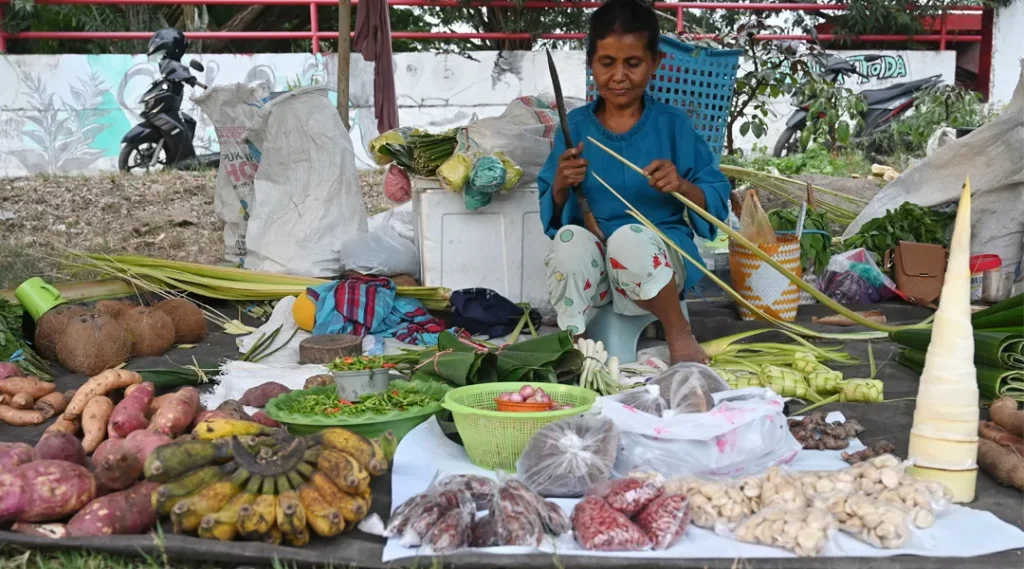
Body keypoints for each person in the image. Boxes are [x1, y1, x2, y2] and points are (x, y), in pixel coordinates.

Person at [537, 0, 731, 364]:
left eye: (633, 63)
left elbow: (718, 197)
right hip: (599, 263)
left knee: (629, 238)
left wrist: (682, 186)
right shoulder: (575, 128)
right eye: (607, 63)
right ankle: (577, 346)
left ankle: (679, 333)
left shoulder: (673, 124)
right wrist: (562, 183)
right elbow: (552, 206)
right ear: (591, 63)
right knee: (568, 241)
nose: (619, 76)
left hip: (661, 261)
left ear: (655, 63)